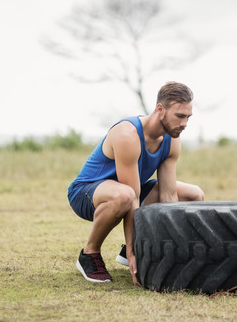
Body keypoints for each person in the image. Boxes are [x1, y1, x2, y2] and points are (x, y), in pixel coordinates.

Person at [67, 81, 205, 285]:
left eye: (188, 117)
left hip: (130, 192)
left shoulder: (172, 138)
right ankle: (89, 254)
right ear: (160, 109)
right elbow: (132, 197)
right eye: (180, 116)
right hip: (87, 193)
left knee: (194, 194)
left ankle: (140, 248)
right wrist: (133, 252)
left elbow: (168, 196)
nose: (185, 123)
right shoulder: (127, 134)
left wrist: (174, 247)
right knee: (125, 195)